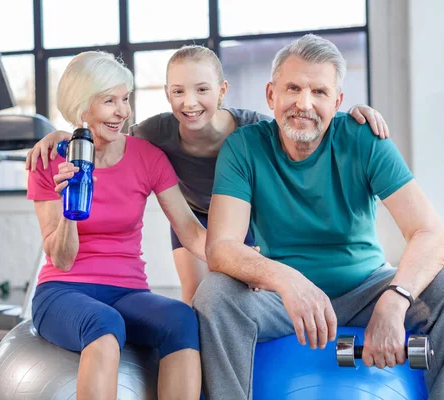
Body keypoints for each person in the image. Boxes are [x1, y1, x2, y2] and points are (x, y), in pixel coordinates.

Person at [192, 33, 444, 400]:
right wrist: (287, 280)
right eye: (293, 88)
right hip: (281, 300)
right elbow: (221, 248)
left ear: (338, 101)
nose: (304, 103)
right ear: (271, 95)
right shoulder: (244, 147)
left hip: (367, 289)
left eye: (319, 92)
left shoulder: (364, 138)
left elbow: (431, 234)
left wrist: (395, 299)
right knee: (215, 295)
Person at [26, 45, 391, 305]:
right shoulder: (152, 133)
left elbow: (304, 124)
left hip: (242, 216)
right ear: (167, 95)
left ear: (222, 91)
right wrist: (66, 133)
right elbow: (106, 130)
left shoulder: (254, 128)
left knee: (252, 289)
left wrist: (352, 114)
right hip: (191, 215)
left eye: (202, 90)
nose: (190, 102)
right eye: (178, 92)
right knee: (197, 298)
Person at [27, 51, 205, 400]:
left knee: (181, 319)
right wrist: (70, 206)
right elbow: (61, 260)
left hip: (128, 291)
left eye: (125, 99)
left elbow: (190, 230)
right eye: (110, 101)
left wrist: (243, 261)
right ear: (82, 108)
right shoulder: (49, 160)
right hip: (63, 291)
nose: (123, 111)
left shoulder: (147, 157)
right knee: (104, 324)